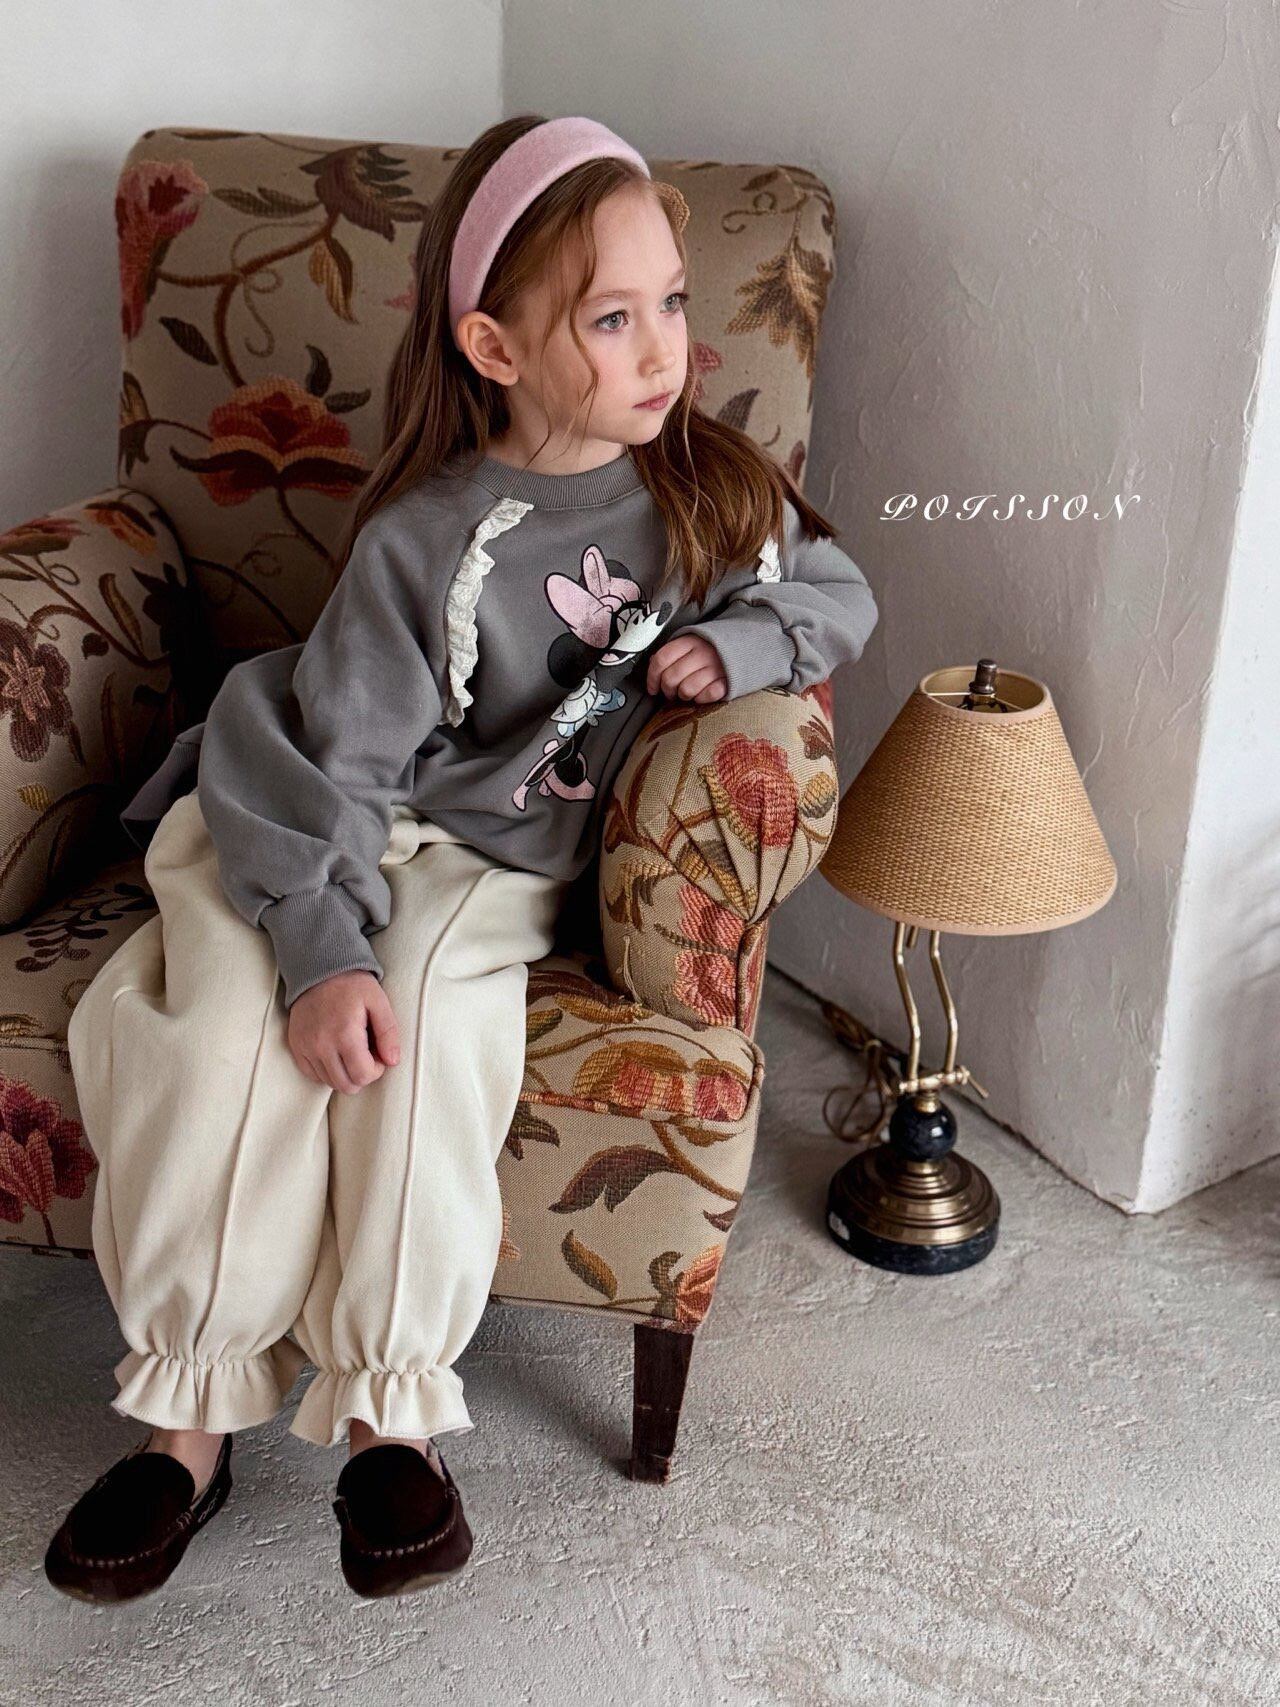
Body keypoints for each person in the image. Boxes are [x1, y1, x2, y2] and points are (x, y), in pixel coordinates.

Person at [43, 112, 880, 1604]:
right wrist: (320, 951)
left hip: (498, 858)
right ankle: (185, 1421)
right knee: (226, 1031)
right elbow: (346, 765)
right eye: (612, 319)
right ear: (496, 348)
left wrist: (745, 644)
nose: (665, 348)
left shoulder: (712, 493)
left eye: (672, 302)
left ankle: (391, 1415)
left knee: (428, 1025)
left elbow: (839, 592)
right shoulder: (423, 537)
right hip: (308, 803)